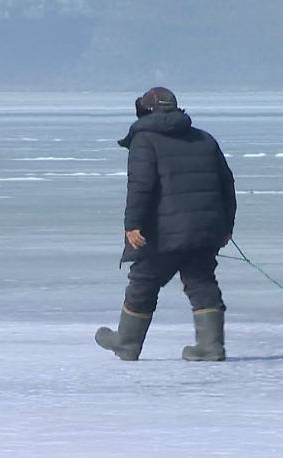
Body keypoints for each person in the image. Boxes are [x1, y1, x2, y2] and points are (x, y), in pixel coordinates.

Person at [95, 87, 237, 362]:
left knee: (143, 282)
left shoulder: (145, 141)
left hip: (164, 234)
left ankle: (127, 342)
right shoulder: (205, 139)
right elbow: (226, 185)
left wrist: (132, 225)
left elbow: (140, 186)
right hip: (204, 232)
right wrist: (226, 227)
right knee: (201, 282)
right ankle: (211, 347)